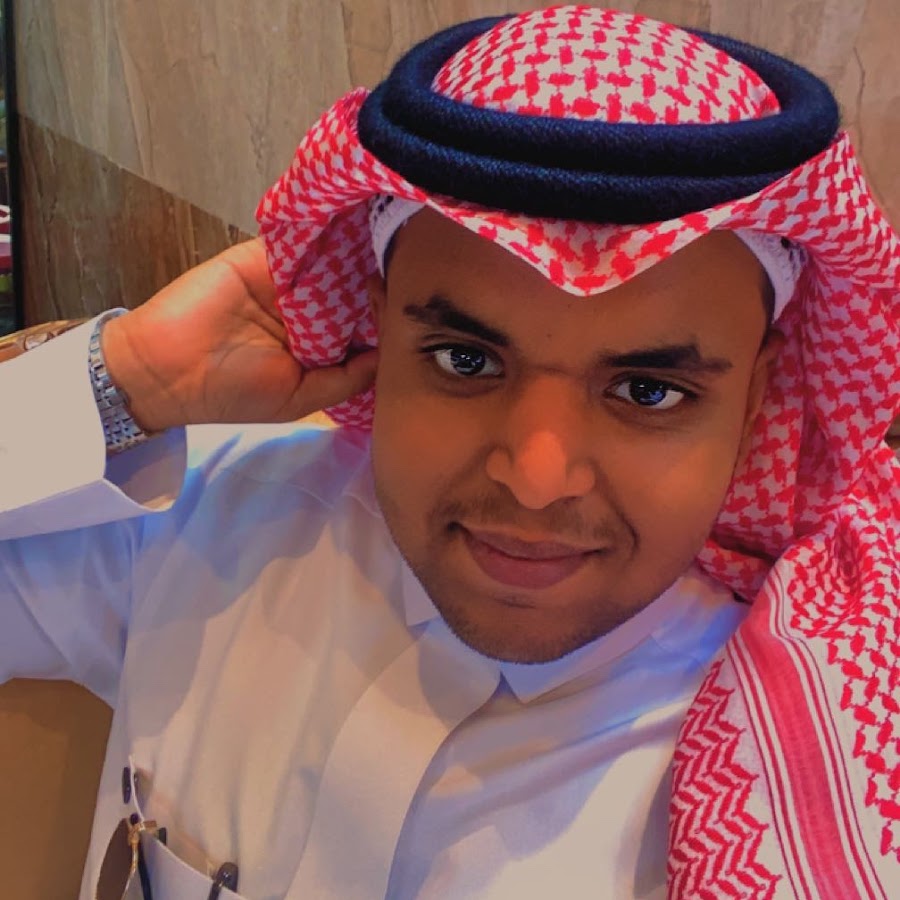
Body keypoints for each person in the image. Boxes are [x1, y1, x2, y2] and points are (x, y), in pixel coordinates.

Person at [1, 6, 898, 899]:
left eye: (647, 392)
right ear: (382, 329)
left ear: (756, 398)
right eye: (465, 361)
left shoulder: (819, 754)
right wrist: (128, 379)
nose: (537, 482)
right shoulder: (211, 526)